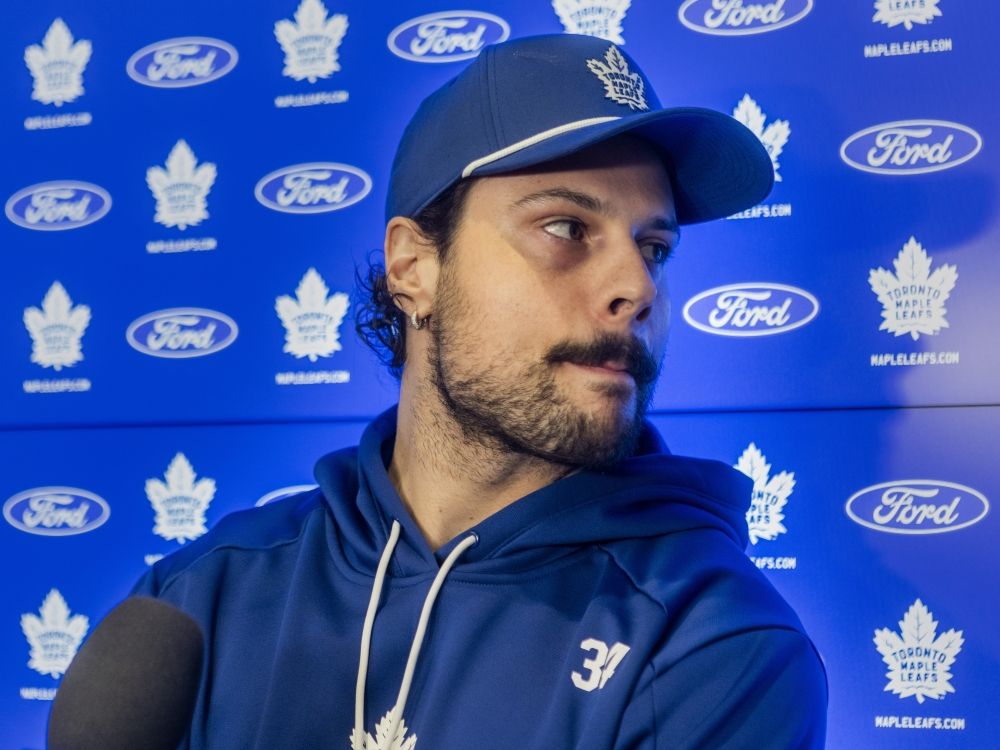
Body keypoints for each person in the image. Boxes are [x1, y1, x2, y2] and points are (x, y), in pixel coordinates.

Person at [133, 34, 827, 749]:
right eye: (566, 228)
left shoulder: (717, 647)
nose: (637, 287)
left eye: (654, 249)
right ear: (413, 268)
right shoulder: (204, 600)